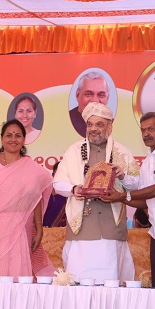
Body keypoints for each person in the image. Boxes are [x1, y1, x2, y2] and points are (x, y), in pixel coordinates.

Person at [53, 102, 139, 281]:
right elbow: (58, 183)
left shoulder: (122, 152)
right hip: (82, 229)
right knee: (78, 282)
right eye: (90, 124)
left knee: (111, 283)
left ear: (109, 127)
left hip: (111, 229)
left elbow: (137, 184)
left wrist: (122, 176)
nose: (93, 129)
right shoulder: (74, 151)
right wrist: (74, 189)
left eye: (99, 124)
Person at [102, 112, 155, 286]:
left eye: (150, 129)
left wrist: (122, 196)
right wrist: (120, 184)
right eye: (143, 130)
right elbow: (142, 191)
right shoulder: (149, 159)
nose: (146, 134)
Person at [0, 119, 54, 280]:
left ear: (24, 139)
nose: (13, 139)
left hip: (20, 229)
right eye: (8, 135)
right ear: (2, 139)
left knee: (19, 277)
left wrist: (39, 228)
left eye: (17, 135)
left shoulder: (31, 168)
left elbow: (35, 197)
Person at [68, 72, 110, 137]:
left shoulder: (110, 123)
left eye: (101, 95)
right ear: (77, 95)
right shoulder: (67, 120)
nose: (95, 100)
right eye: (88, 94)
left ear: (107, 98)